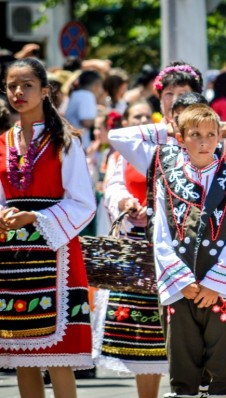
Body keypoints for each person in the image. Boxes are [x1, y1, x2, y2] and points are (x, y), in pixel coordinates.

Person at [0, 57, 96, 397]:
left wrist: (36, 218)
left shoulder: (64, 141)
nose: (18, 92)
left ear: (45, 91)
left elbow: (84, 202)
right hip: (13, 255)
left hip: (57, 252)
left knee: (58, 357)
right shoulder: (1, 143)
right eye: (12, 85)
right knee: (23, 357)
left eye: (27, 85)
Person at [147, 104, 226, 398]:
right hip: (182, 287)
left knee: (224, 365)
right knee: (182, 364)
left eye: (211, 134)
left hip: (221, 287)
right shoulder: (167, 178)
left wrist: (216, 283)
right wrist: (182, 280)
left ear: (220, 137)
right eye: (195, 134)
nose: (204, 142)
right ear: (180, 138)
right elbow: (161, 235)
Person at [95, 99, 166, 398]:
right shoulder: (121, 154)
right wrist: (125, 202)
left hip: (173, 241)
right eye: (134, 117)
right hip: (137, 245)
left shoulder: (178, 142)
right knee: (143, 333)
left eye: (144, 116)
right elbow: (113, 187)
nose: (140, 121)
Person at [64, 70, 103, 149]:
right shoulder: (86, 95)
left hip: (72, 142)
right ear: (96, 85)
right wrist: (101, 119)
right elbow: (86, 122)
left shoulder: (77, 94)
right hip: (79, 144)